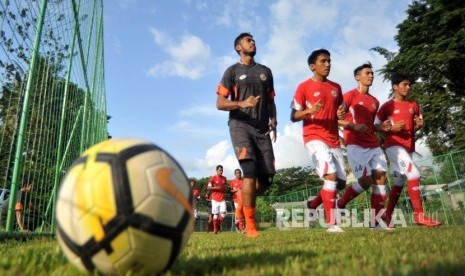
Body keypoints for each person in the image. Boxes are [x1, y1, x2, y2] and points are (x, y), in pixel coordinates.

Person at [216, 32, 277, 238]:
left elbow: (270, 101)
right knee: (249, 171)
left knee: (267, 179)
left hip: (262, 129)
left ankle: (243, 200)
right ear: (238, 48)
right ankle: (249, 225)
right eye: (248, 40)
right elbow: (220, 103)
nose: (253, 42)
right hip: (240, 125)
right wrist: (242, 103)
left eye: (254, 40)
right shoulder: (232, 71)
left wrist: (273, 119)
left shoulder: (265, 72)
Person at [290, 49, 346, 233]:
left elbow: (340, 112)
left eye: (329, 61)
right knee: (330, 175)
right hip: (313, 136)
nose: (328, 64)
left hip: (333, 139)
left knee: (340, 183)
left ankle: (312, 205)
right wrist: (309, 111)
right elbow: (294, 116)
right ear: (312, 66)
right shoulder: (303, 87)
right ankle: (333, 224)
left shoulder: (336, 88)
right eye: (323, 61)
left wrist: (340, 114)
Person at [375, 72, 441, 227]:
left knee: (399, 181)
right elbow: (375, 126)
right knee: (414, 173)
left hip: (408, 147)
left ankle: (387, 214)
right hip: (393, 147)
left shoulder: (414, 105)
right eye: (405, 84)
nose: (408, 87)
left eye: (409, 84)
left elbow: (417, 124)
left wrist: (419, 125)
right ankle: (419, 216)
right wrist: (391, 128)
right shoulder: (387, 106)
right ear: (395, 87)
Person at [337, 62, 393, 229]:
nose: (371, 76)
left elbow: (370, 124)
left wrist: (380, 128)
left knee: (381, 179)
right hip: (354, 144)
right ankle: (341, 203)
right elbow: (335, 119)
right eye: (367, 73)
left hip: (373, 144)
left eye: (372, 73)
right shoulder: (348, 96)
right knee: (366, 181)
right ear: (357, 77)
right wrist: (353, 126)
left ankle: (375, 222)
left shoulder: (375, 101)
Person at [207, 165, 227, 234]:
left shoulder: (224, 178)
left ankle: (216, 223)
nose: (221, 171)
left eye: (222, 170)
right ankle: (215, 230)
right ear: (217, 170)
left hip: (222, 199)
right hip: (215, 199)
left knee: (223, 214)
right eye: (220, 170)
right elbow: (208, 187)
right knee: (215, 214)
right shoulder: (213, 178)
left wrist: (225, 188)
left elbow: (224, 187)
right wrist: (216, 188)